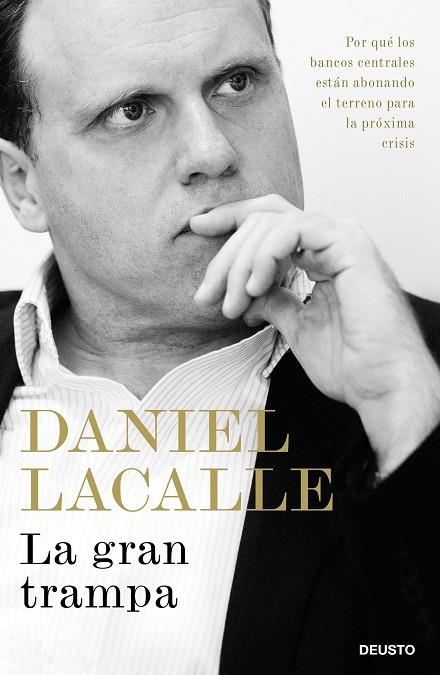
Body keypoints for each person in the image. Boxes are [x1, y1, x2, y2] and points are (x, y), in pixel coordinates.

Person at [0, 0, 439, 672]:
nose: (213, 151)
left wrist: (410, 426)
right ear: (24, 186)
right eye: (132, 111)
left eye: (237, 82)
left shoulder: (420, 380)